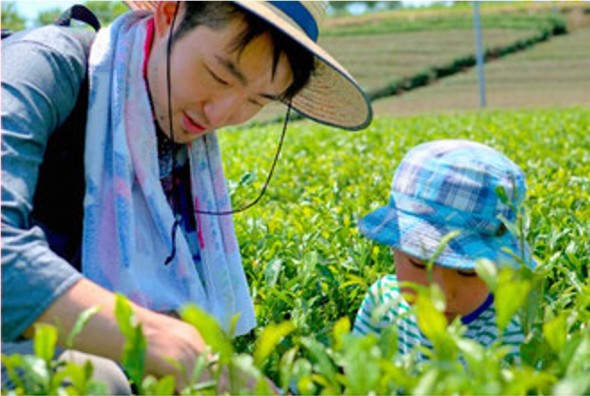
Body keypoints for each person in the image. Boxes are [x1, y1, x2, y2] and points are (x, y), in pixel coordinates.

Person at [1, 1, 372, 392]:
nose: (220, 114)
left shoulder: (169, 145)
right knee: (96, 381)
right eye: (218, 75)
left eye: (256, 101)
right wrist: (163, 342)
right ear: (168, 15)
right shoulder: (41, 66)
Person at [353, 139, 536, 363]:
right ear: (395, 248)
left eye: (468, 272)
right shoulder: (381, 303)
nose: (440, 293)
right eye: (419, 263)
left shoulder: (512, 331)